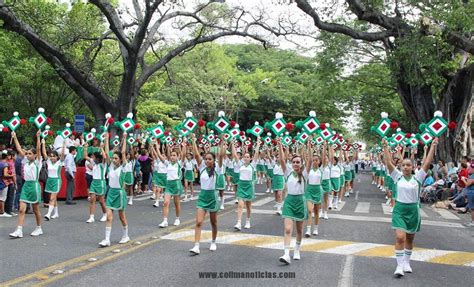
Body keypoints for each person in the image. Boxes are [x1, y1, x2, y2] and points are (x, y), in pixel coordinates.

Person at [382, 137, 438, 277]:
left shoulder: (418, 177)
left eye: (408, 165)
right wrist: (385, 147)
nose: (406, 167)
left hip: (413, 210)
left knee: (410, 239)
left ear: (413, 167)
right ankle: (399, 266)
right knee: (400, 237)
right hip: (400, 210)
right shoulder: (397, 177)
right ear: (401, 167)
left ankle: (407, 262)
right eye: (404, 165)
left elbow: (427, 162)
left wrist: (432, 146)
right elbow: (388, 162)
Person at [189, 134, 225, 254]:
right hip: (203, 197)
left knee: (213, 222)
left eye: (210, 159)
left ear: (213, 160)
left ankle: (213, 241)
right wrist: (193, 140)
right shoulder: (202, 168)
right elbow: (196, 154)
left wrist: (223, 141)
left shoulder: (218, 169)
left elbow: (221, 155)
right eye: (206, 159)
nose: (207, 161)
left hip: (213, 198)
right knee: (198, 222)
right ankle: (196, 246)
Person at [278, 139, 308, 265]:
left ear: (301, 164)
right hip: (289, 201)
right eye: (294, 162)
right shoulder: (288, 173)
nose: (295, 164)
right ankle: (286, 254)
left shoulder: (304, 174)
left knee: (299, 230)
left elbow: (310, 161)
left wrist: (309, 147)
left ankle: (297, 250)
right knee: (288, 229)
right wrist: (280, 145)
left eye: (298, 162)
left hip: (300, 202)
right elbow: (281, 160)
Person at [9, 131, 44, 238]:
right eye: (27, 153)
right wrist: (15, 137)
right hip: (26, 186)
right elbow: (19, 149)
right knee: (21, 209)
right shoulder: (25, 161)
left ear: (34, 155)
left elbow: (38, 149)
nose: (27, 155)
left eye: (30, 153)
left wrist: (38, 138)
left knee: (35, 209)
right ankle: (19, 230)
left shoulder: (38, 161)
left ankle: (39, 228)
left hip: (34, 186)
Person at [99, 133, 130, 247]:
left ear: (121, 159)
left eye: (116, 158)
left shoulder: (124, 167)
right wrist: (106, 139)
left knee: (122, 217)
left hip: (120, 193)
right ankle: (107, 239)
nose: (113, 159)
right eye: (113, 158)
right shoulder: (111, 166)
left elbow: (122, 152)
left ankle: (126, 235)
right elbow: (107, 153)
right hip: (111, 192)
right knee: (109, 216)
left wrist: (125, 138)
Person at [231, 137, 261, 231]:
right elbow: (235, 155)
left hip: (249, 186)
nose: (246, 158)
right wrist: (232, 144)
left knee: (248, 205)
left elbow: (256, 154)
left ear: (250, 158)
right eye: (245, 157)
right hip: (241, 186)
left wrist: (258, 144)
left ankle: (248, 221)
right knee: (240, 204)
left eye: (248, 157)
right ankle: (239, 222)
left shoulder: (253, 165)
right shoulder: (240, 164)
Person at [157, 141, 186, 228]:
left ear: (177, 157)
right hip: (169, 185)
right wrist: (156, 146)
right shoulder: (168, 163)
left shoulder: (179, 164)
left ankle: (177, 218)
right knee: (165, 203)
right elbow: (160, 156)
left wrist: (184, 145)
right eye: (171, 155)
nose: (172, 157)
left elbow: (183, 155)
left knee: (176, 203)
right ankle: (165, 221)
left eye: (174, 155)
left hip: (176, 184)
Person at [83, 142, 108, 223]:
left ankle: (105, 214)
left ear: (97, 158)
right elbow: (85, 156)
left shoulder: (103, 164)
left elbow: (104, 156)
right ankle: (91, 217)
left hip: (101, 182)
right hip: (94, 182)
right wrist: (85, 147)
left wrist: (101, 148)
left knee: (101, 201)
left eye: (93, 156)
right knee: (92, 199)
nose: (92, 158)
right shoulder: (94, 163)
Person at [42, 138, 66, 220]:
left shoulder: (60, 162)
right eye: (51, 156)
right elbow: (44, 153)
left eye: (54, 156)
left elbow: (62, 155)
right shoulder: (48, 162)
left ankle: (48, 214)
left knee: (52, 198)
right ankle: (56, 213)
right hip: (49, 181)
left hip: (56, 181)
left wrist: (63, 145)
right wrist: (43, 143)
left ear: (57, 157)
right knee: (53, 198)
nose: (52, 158)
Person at [304, 140, 323, 237]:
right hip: (309, 190)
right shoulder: (308, 170)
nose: (315, 161)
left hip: (318, 190)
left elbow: (326, 157)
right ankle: (308, 230)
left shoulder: (322, 170)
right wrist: (309, 145)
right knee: (309, 210)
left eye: (317, 160)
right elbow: (309, 159)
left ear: (320, 162)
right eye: (313, 160)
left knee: (316, 211)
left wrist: (325, 145)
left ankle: (315, 228)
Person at [150, 143, 167, 207]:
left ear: (165, 157)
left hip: (165, 176)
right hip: (159, 176)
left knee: (166, 190)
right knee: (158, 189)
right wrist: (154, 147)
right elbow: (156, 154)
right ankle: (157, 202)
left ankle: (165, 201)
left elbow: (160, 154)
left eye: (164, 156)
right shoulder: (158, 161)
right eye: (161, 155)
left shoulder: (166, 163)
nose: (162, 156)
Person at [0, 150, 12, 217]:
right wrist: (11, 175)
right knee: (2, 198)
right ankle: (2, 212)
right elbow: (5, 174)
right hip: (4, 182)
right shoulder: (5, 164)